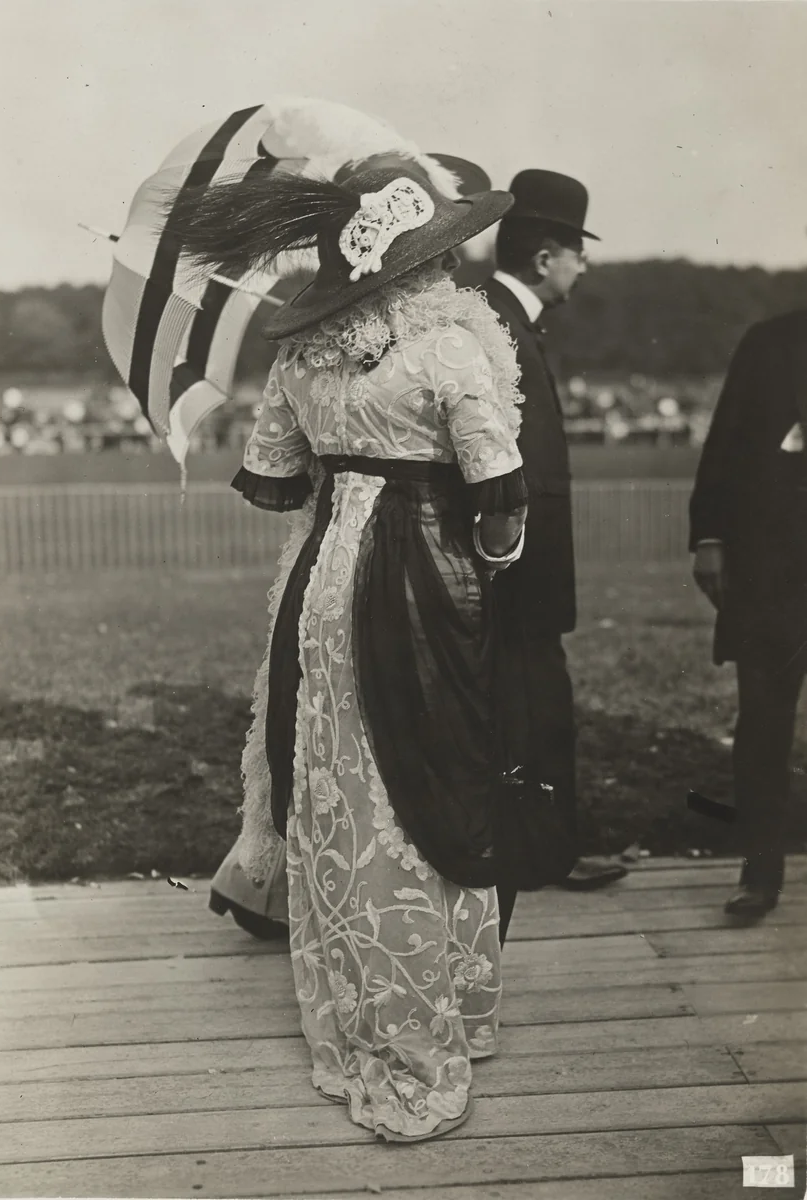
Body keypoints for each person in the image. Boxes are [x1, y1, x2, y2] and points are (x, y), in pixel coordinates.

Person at [170, 154, 530, 1140]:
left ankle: (363, 1029)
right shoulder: (455, 349)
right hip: (418, 586)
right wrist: (492, 548)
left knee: (338, 799)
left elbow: (275, 475)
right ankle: (437, 1025)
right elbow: (499, 495)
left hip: (318, 587)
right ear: (427, 257)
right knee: (425, 785)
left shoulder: (304, 355)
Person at [482, 170, 626, 941]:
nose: (583, 268)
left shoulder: (508, 318)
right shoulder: (501, 323)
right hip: (515, 572)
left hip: (522, 569)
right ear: (545, 257)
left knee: (538, 708)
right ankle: (539, 850)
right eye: (577, 253)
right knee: (531, 709)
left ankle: (545, 844)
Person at [690, 309, 807, 919]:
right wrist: (709, 537)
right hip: (774, 573)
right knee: (763, 723)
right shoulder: (771, 340)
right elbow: (727, 441)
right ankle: (760, 874)